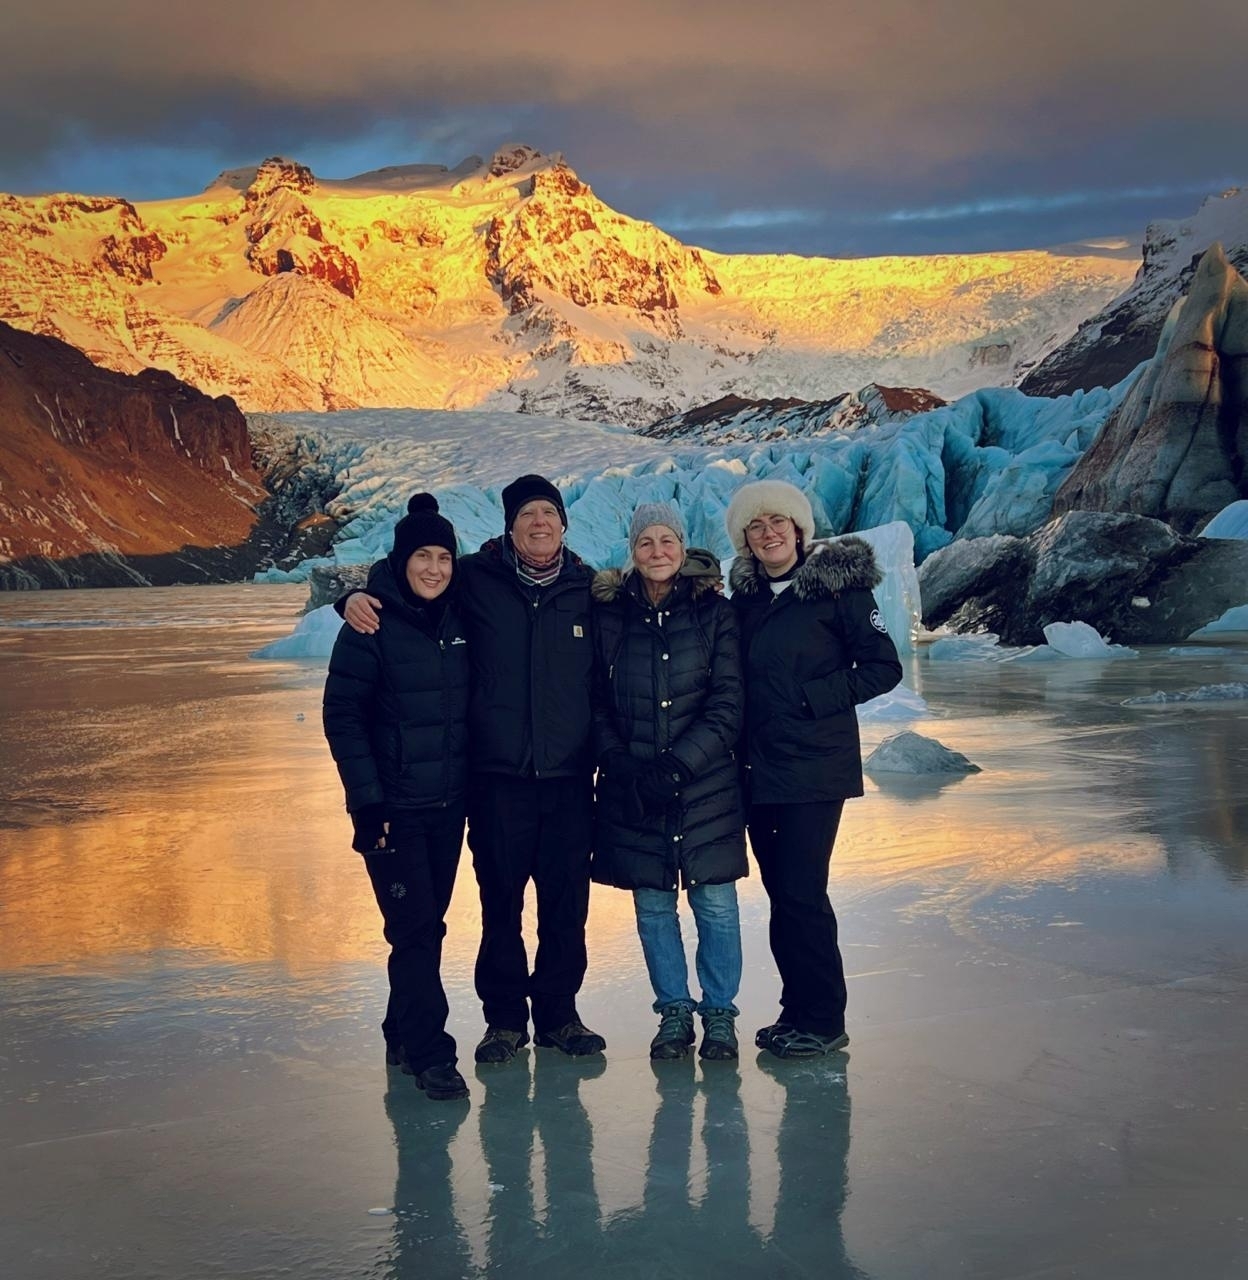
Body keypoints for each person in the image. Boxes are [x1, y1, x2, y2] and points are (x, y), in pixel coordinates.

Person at [341, 475, 605, 1063]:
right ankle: (505, 1019)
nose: (539, 523)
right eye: (527, 514)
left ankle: (560, 1015)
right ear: (509, 526)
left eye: (549, 513)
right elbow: (413, 583)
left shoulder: (589, 589)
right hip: (496, 781)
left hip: (567, 780)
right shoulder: (477, 581)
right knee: (501, 908)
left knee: (566, 906)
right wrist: (354, 598)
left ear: (564, 523)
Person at [725, 480, 902, 1058]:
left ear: (800, 530)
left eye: (778, 522)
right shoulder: (745, 600)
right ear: (745, 540)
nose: (769, 532)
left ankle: (824, 1021)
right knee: (784, 896)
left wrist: (811, 698)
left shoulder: (838, 590)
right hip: (759, 771)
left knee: (802, 894)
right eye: (756, 526)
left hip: (814, 769)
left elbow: (882, 667)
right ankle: (796, 1010)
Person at [322, 493, 470, 1101]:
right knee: (415, 932)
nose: (433, 568)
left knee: (424, 925)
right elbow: (343, 716)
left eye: (443, 557)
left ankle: (400, 1031)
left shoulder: (462, 616)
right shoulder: (371, 624)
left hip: (448, 805)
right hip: (393, 812)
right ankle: (431, 1054)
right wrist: (368, 803)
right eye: (422, 556)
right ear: (401, 559)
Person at [591, 503, 747, 1060]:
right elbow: (596, 704)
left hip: (705, 785)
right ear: (631, 551)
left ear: (684, 547)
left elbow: (728, 704)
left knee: (715, 903)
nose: (657, 551)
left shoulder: (715, 612)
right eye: (646, 542)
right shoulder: (610, 615)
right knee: (654, 904)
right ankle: (675, 1013)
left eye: (667, 541)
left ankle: (721, 1014)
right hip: (633, 786)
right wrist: (622, 765)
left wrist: (679, 765)